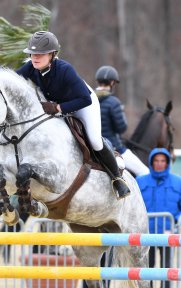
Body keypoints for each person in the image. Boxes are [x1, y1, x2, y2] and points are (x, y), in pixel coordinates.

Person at [15, 31, 130, 199]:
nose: (35, 57)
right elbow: (12, 81)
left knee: (95, 141)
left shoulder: (64, 69)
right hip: (56, 107)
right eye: (32, 54)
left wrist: (58, 108)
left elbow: (85, 99)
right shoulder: (30, 67)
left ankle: (117, 179)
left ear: (52, 54)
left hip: (83, 104)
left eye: (40, 54)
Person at [136, 148, 181, 288]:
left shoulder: (179, 183)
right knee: (146, 268)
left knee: (166, 267)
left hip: (168, 234)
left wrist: (174, 222)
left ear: (167, 163)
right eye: (156, 161)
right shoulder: (140, 182)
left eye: (163, 161)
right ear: (151, 162)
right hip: (146, 235)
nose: (159, 164)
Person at [94, 65, 149, 177]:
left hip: (94, 147)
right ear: (112, 82)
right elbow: (121, 128)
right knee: (145, 173)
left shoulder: (90, 99)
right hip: (114, 147)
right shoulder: (114, 102)